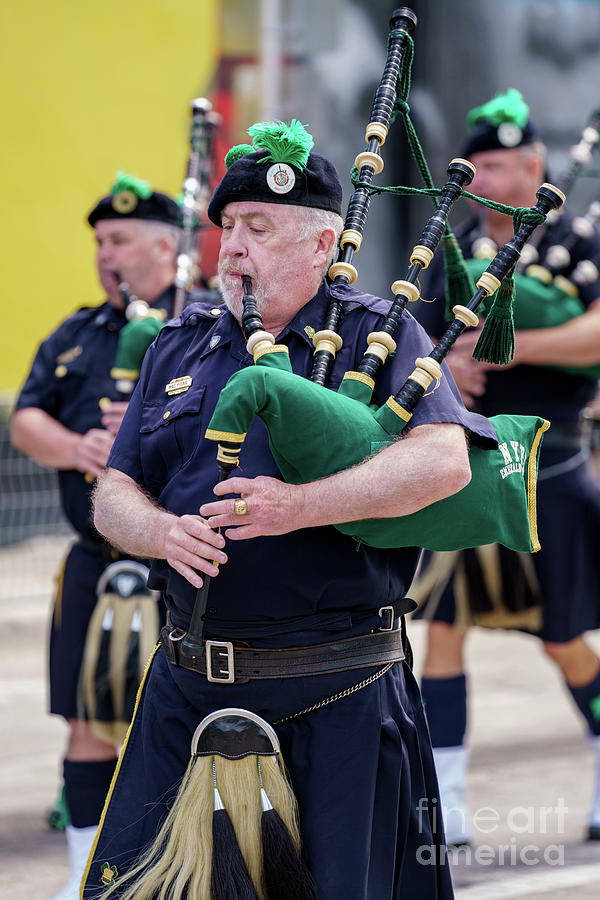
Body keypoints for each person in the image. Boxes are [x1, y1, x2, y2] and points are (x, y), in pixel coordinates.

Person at [82, 119, 502, 900]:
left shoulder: (379, 335)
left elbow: (442, 461)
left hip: (337, 696)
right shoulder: (178, 345)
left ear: (321, 246)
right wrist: (160, 532)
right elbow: (113, 489)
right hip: (189, 686)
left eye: (259, 228)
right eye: (229, 229)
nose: (232, 248)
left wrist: (300, 506)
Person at [411, 89, 600, 846]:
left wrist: (512, 345)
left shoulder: (579, 246)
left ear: (536, 166)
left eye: (504, 164)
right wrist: (452, 358)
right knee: (444, 631)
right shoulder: (451, 249)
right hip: (465, 466)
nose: (489, 177)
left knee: (563, 637)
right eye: (479, 164)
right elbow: (412, 335)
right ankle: (447, 802)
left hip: (546, 467)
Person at [10, 173, 190, 900]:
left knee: (183, 719)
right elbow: (25, 419)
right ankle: (89, 877)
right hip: (93, 561)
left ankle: (182, 867)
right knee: (87, 719)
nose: (104, 254)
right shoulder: (76, 334)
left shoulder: (203, 325)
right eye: (98, 243)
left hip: (178, 564)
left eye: (118, 240)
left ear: (163, 246)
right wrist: (76, 448)